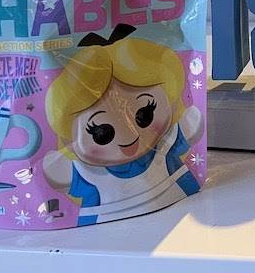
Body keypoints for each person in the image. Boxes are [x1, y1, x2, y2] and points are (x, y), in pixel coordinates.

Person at [42, 25, 203, 226]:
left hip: (178, 207)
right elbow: (58, 174)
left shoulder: (166, 142)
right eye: (101, 133)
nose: (128, 137)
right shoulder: (89, 173)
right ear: (68, 137)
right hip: (105, 228)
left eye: (145, 115)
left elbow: (190, 126)